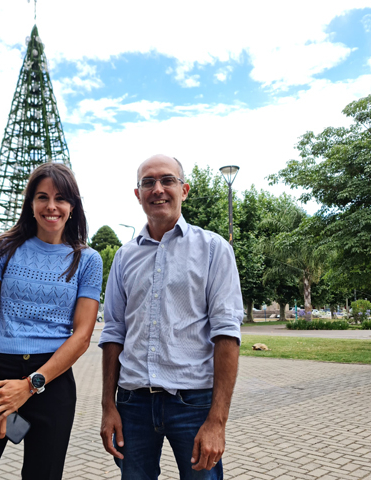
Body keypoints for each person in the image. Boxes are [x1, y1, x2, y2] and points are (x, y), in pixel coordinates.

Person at [0, 163, 103, 480]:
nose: (51, 206)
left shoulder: (87, 260)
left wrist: (30, 386)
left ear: (73, 206)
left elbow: (82, 335)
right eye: (42, 197)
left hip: (51, 381)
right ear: (30, 204)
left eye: (61, 198)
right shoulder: (3, 247)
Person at [99, 154, 243, 480]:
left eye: (167, 180)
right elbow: (113, 332)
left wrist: (217, 422)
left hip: (193, 405)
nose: (158, 189)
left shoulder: (214, 250)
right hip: (132, 405)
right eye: (148, 182)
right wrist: (109, 407)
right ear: (137, 194)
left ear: (184, 190)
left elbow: (227, 334)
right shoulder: (124, 257)